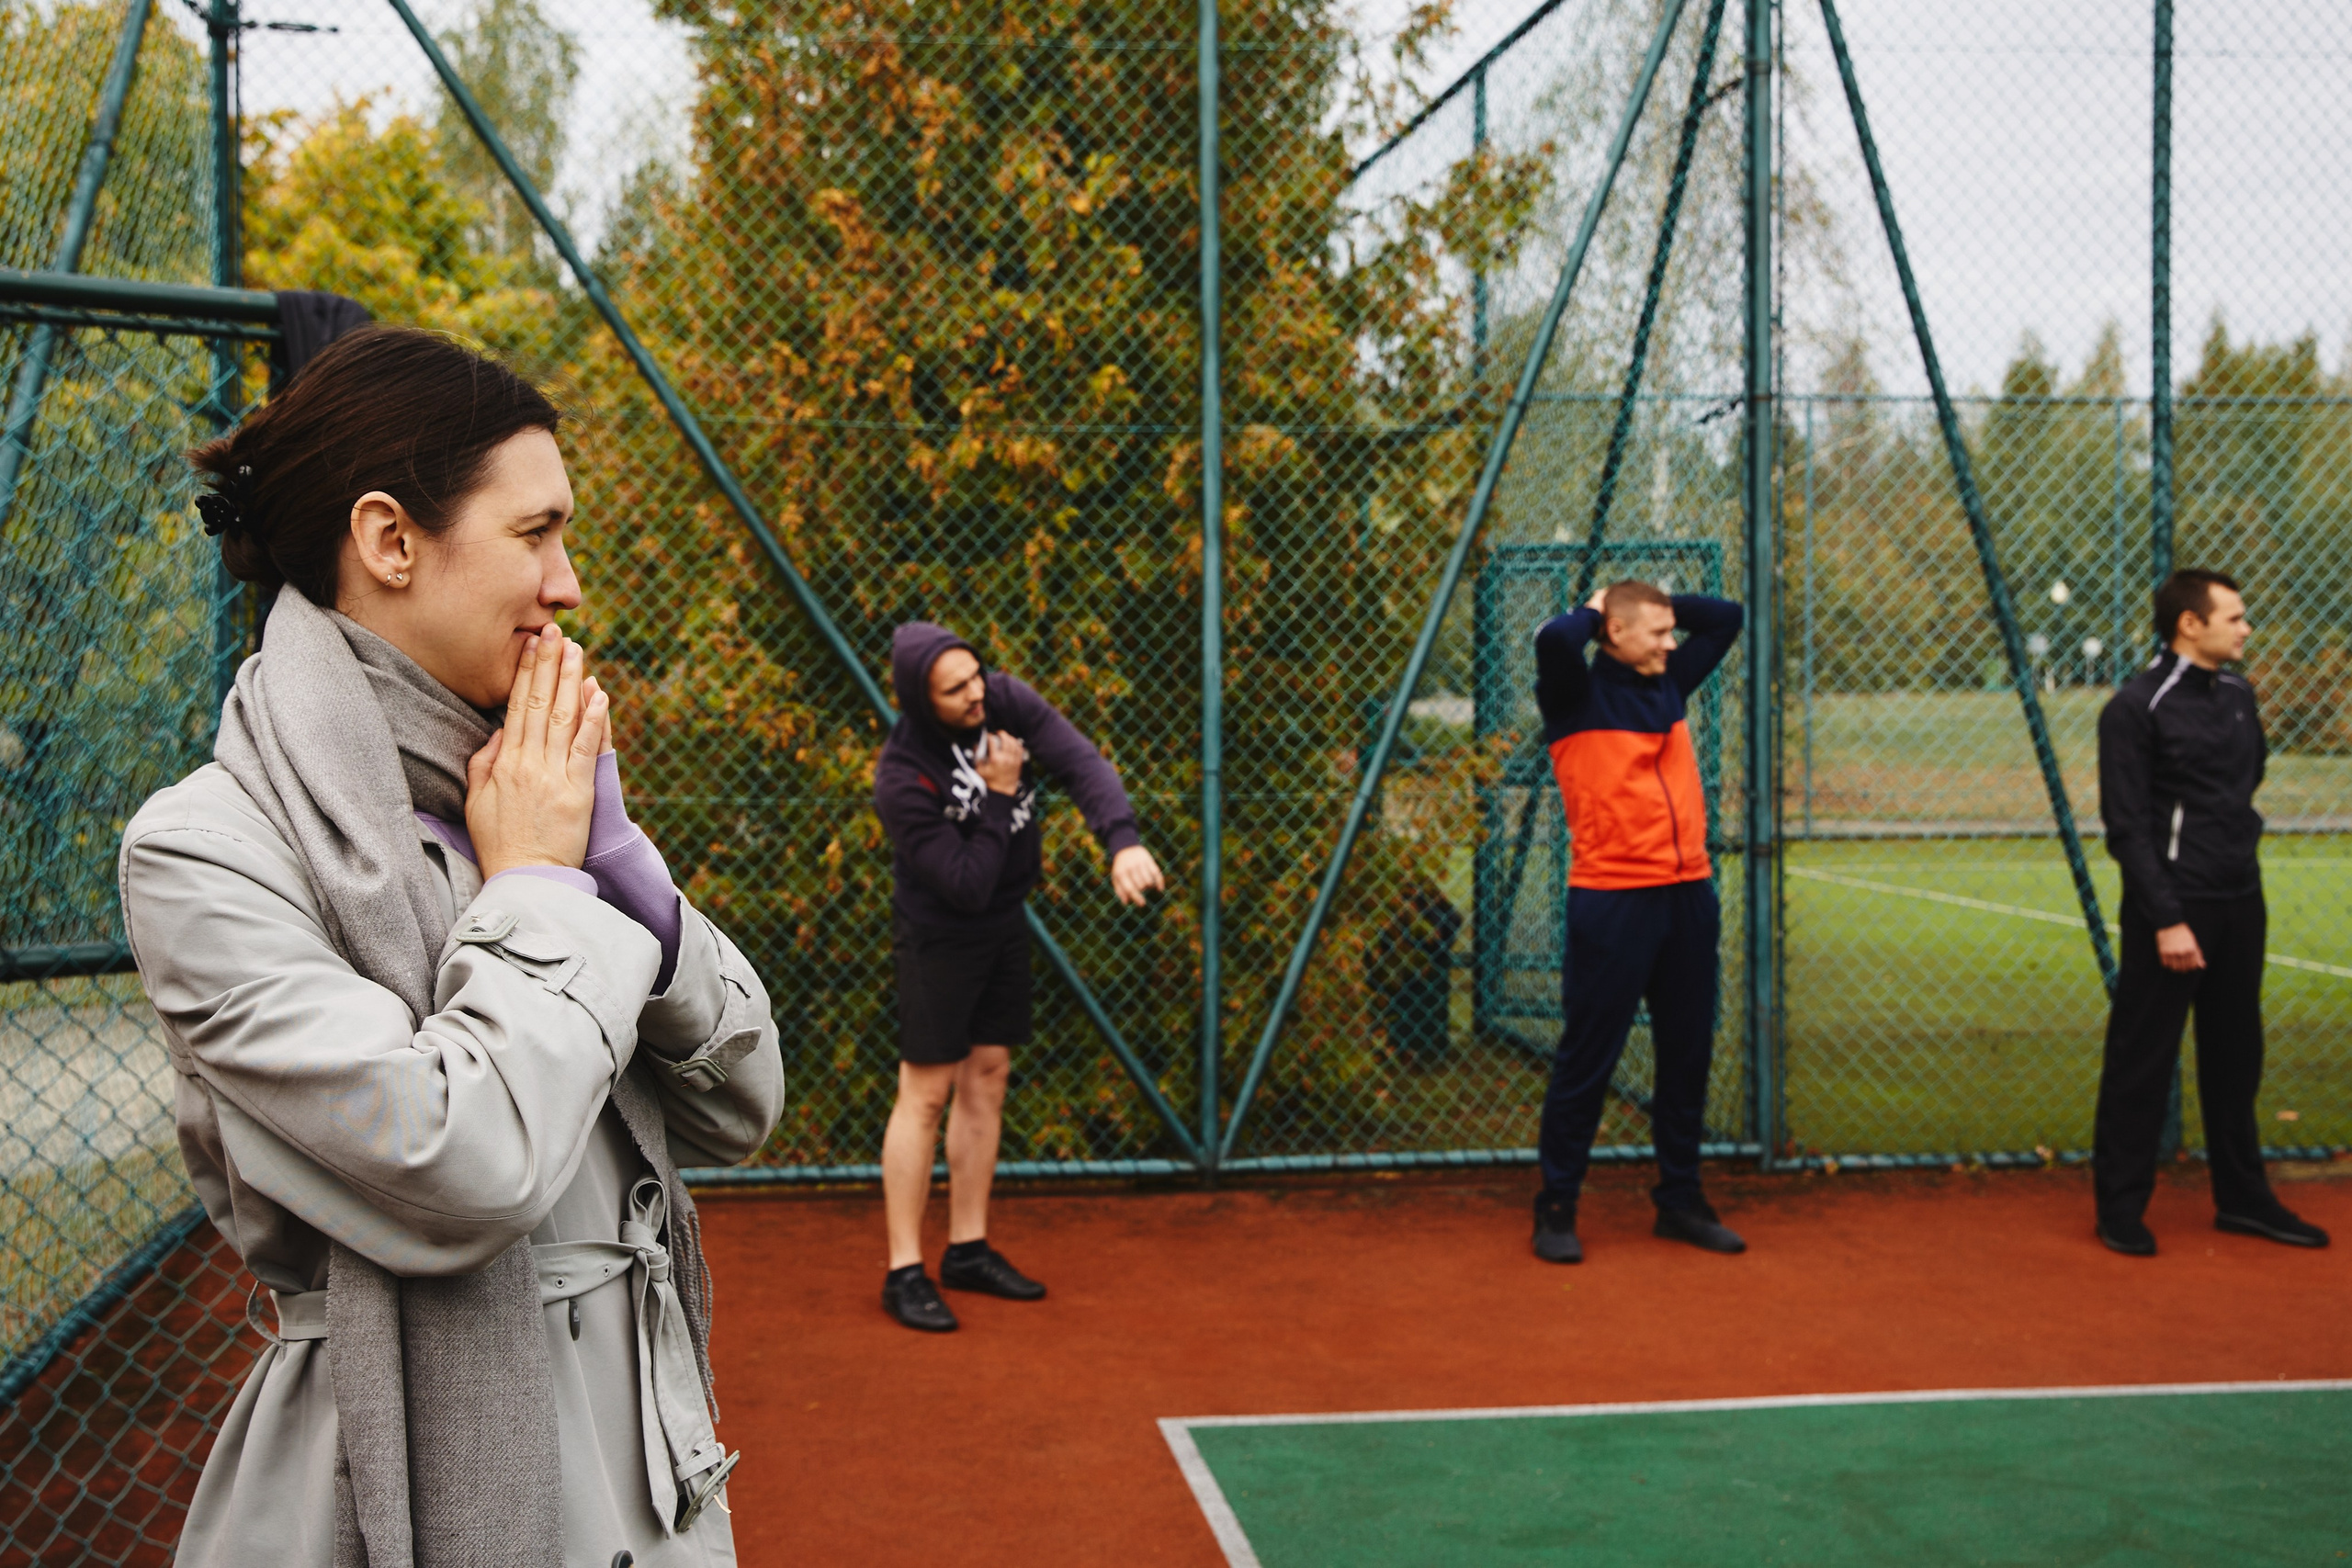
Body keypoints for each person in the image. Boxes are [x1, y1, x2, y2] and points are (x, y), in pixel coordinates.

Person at [122, 327, 786, 1567]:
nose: (569, 580)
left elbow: (743, 1105)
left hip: (646, 1477)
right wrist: (537, 880)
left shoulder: (528, 782)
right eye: (535, 532)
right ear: (389, 540)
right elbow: (462, 1161)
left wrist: (630, 880)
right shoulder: (205, 850)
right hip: (375, 1499)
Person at [870, 624, 1164, 1332]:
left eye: (977, 677)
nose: (978, 695)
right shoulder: (903, 775)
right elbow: (965, 884)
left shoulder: (1006, 700)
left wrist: (1121, 840)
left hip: (1004, 924)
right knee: (927, 1092)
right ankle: (904, 1269)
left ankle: (967, 1248)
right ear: (920, 700)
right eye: (956, 690)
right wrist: (1000, 793)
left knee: (990, 1072)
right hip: (941, 933)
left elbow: (1082, 762)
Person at [2091, 569, 2328, 1256]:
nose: (2246, 628)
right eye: (2234, 617)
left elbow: (2245, 779)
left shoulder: (2238, 694)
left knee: (2235, 1055)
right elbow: (2128, 827)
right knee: (2143, 1056)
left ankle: (2244, 1200)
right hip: (2171, 907)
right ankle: (2121, 1206)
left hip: (2239, 901)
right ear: (2189, 624)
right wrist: (2167, 916)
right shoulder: (2135, 707)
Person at [1528, 581, 1746, 1265]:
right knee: (1588, 1059)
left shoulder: (1669, 678)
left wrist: (1656, 604)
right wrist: (1598, 605)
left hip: (1688, 894)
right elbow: (1553, 640)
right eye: (1654, 632)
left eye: (1670, 630)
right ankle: (1557, 1206)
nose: (1671, 642)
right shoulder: (1572, 692)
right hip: (1614, 897)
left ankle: (1679, 1200)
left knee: (1687, 1053)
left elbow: (1728, 618)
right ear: (1612, 634)